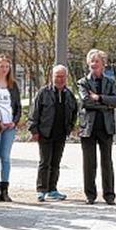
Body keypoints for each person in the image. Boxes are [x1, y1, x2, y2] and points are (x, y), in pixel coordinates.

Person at [77, 49, 116, 205]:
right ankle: (90, 195)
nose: (94, 64)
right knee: (89, 163)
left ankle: (109, 195)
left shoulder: (110, 82)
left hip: (106, 127)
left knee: (107, 162)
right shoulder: (83, 82)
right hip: (88, 128)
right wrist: (105, 105)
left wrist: (100, 98)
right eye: (92, 61)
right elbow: (86, 102)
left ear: (103, 64)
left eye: (97, 61)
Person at [29, 65, 78, 202]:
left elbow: (74, 112)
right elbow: (34, 112)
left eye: (62, 76)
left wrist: (70, 127)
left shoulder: (69, 95)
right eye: (57, 76)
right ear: (52, 77)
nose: (60, 79)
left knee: (56, 163)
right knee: (45, 162)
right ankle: (41, 190)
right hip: (45, 133)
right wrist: (34, 130)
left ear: (66, 78)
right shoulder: (43, 92)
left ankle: (52, 189)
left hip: (61, 134)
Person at [0, 54, 21, 202]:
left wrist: (14, 121)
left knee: (5, 158)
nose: (4, 69)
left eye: (7, 66)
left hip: (9, 126)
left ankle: (5, 189)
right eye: (1, 66)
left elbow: (18, 107)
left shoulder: (13, 85)